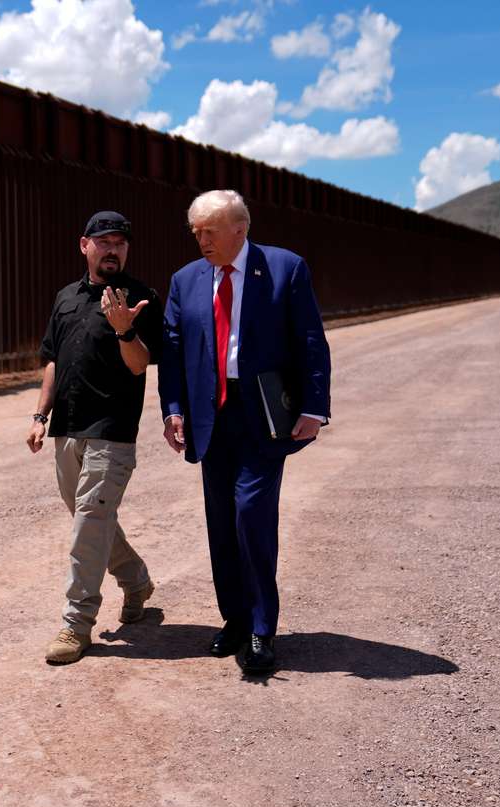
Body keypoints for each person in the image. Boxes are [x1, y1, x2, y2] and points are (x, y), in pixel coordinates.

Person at [158, 190, 331, 674]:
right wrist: (173, 410)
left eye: (209, 231)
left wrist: (315, 407)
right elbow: (171, 352)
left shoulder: (285, 268)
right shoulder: (185, 280)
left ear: (241, 228)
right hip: (210, 417)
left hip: (262, 415)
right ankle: (234, 620)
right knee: (220, 523)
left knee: (251, 516)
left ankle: (261, 629)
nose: (201, 240)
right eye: (195, 232)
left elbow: (310, 342)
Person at [27, 210, 164, 665]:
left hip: (112, 431)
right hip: (66, 427)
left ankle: (76, 623)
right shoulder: (65, 298)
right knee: (91, 520)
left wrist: (125, 327)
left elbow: (140, 364)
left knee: (89, 521)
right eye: (104, 242)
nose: (113, 250)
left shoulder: (141, 298)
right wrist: (39, 414)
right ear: (84, 245)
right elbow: (52, 361)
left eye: (121, 243)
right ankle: (135, 577)